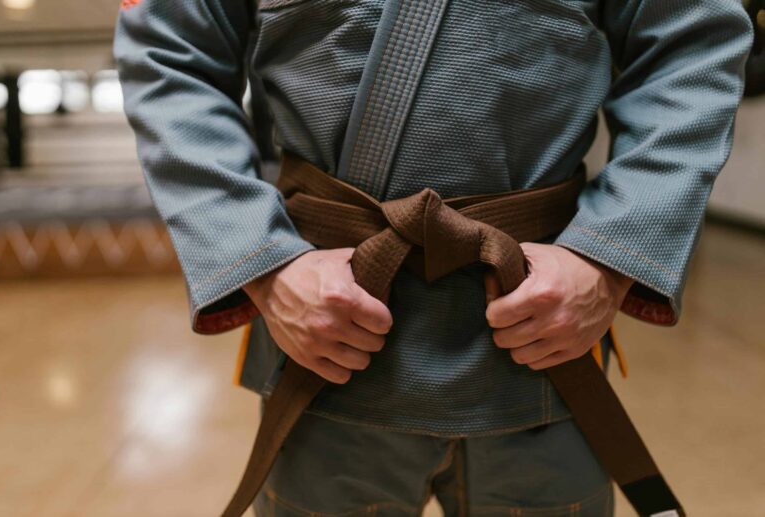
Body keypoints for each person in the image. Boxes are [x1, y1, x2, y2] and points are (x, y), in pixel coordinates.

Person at [114, 1, 753, 515]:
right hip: (328, 332)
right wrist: (263, 263)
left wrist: (610, 257)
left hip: (541, 332)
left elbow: (692, 48)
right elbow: (170, 58)